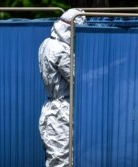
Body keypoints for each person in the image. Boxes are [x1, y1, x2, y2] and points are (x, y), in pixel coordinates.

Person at [38, 9, 85, 167]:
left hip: (50, 108)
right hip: (61, 112)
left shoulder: (46, 43)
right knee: (61, 160)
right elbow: (77, 79)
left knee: (55, 157)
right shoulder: (62, 50)